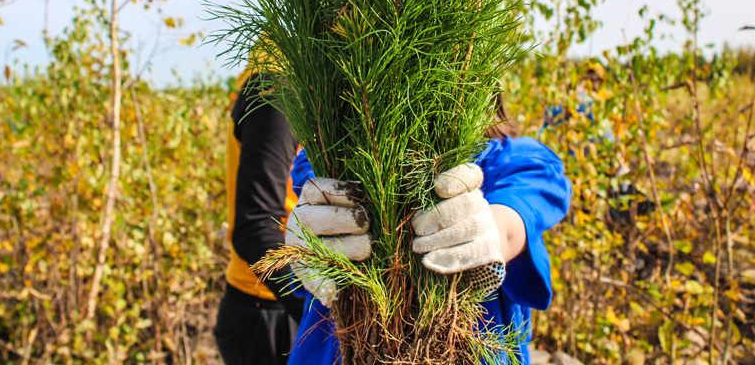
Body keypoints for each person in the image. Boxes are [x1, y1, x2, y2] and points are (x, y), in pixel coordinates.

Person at [282, 95, 573, 365]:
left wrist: (489, 232)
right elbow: (312, 192)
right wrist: (307, 236)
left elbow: (517, 215)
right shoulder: (333, 158)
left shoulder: (511, 161)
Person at [213, 69, 304, 365]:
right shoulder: (277, 90)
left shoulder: (303, 75)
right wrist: (322, 312)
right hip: (271, 314)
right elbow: (257, 228)